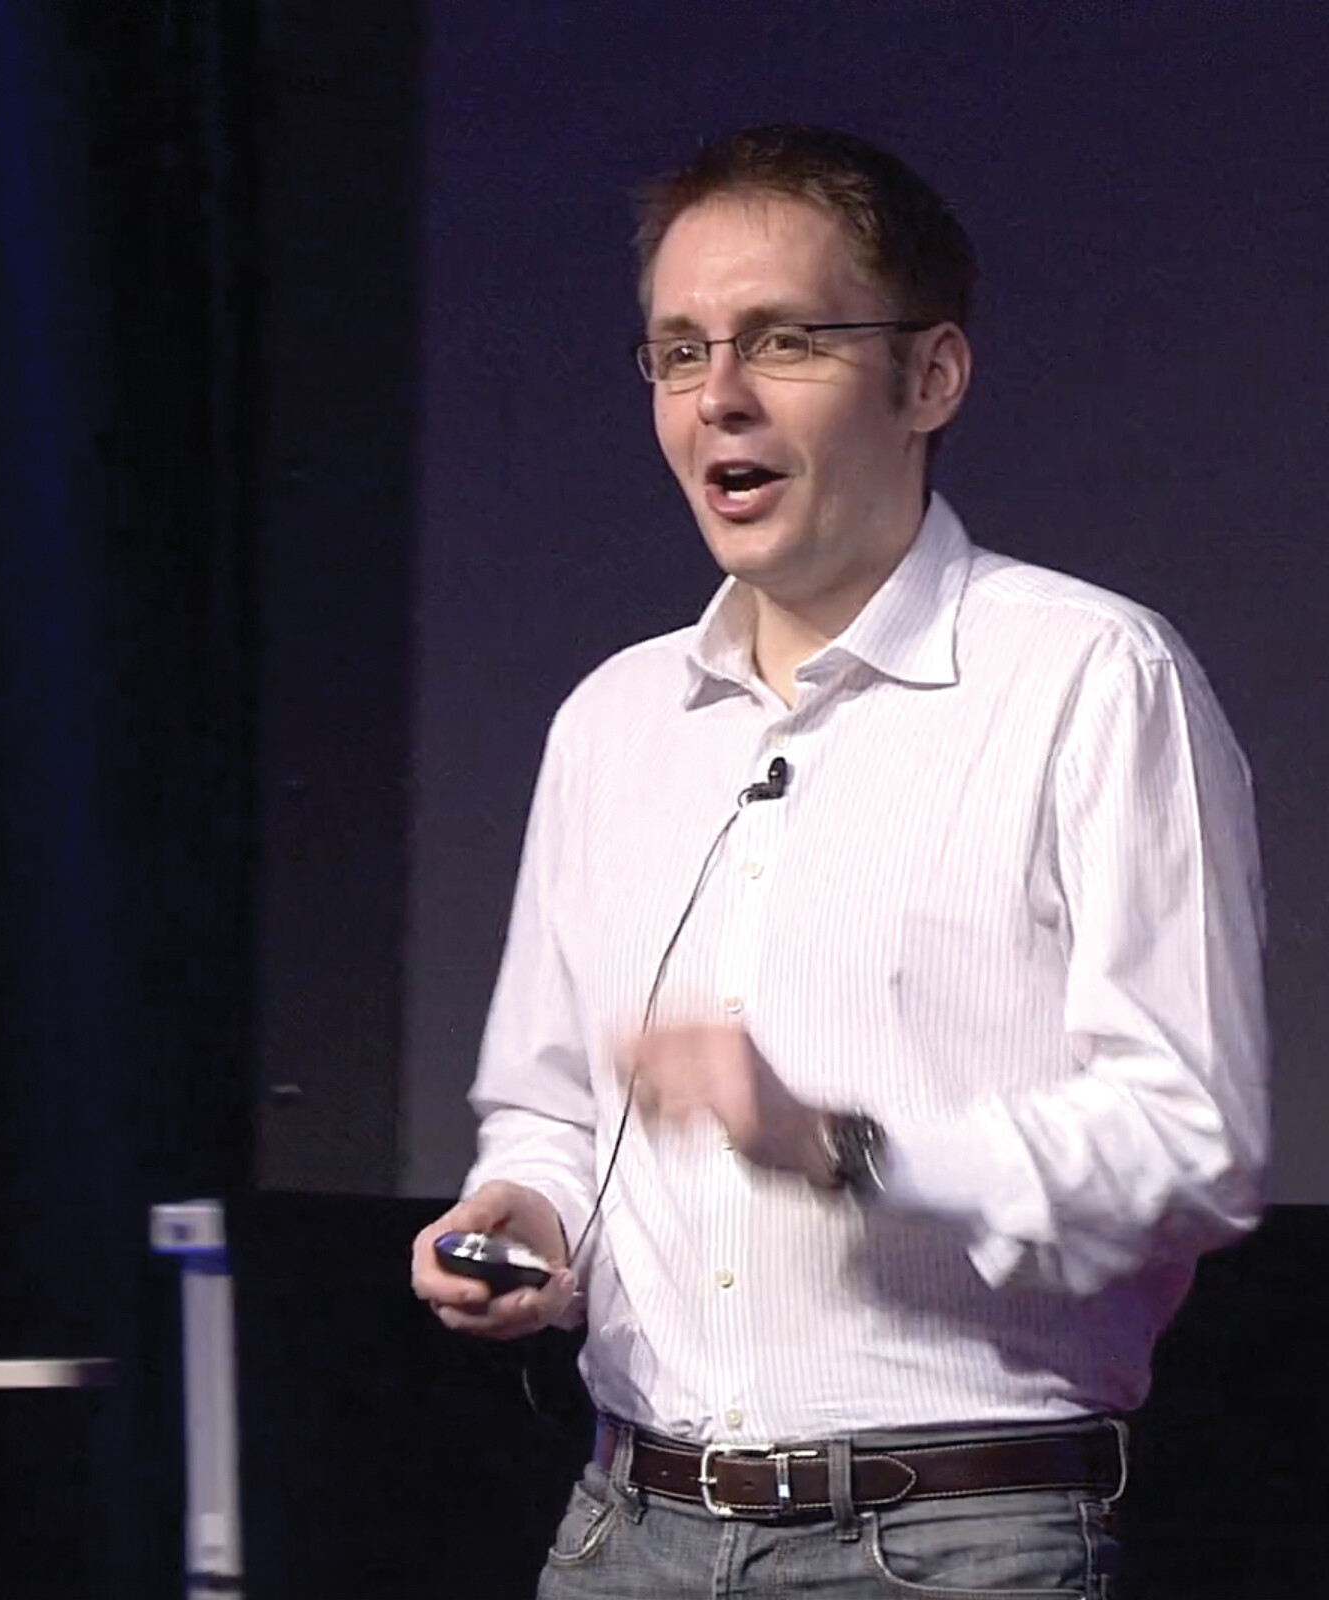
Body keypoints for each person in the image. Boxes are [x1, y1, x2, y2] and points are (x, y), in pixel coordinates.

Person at [408, 124, 1269, 1598]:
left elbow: (1189, 1143)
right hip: (627, 1529)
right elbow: (547, 1107)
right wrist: (524, 1213)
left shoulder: (1089, 678)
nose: (718, 397)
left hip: (946, 1539)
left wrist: (846, 1149)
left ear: (930, 378)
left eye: (782, 340)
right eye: (679, 352)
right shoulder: (613, 720)